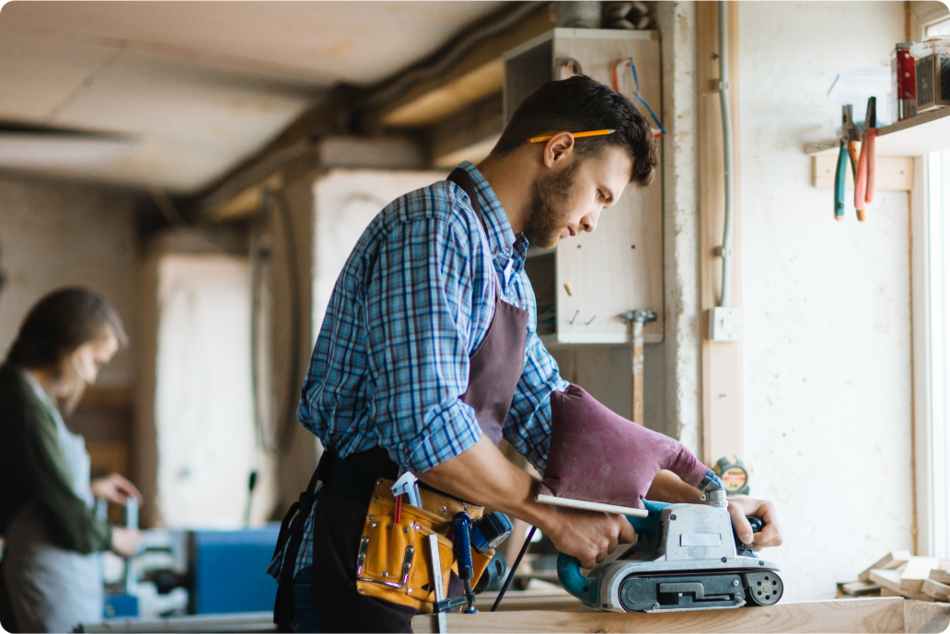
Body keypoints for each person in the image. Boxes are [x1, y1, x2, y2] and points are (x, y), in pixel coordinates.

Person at [269, 75, 783, 634]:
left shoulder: (507, 271)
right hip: (362, 558)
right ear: (559, 149)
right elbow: (424, 425)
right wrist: (549, 513)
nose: (593, 220)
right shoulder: (434, 228)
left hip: (426, 566)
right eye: (601, 194)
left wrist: (702, 502)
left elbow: (553, 422)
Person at [0, 288, 144, 634]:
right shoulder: (23, 406)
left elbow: (34, 483)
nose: (92, 377)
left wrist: (90, 487)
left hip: (56, 581)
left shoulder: (29, 398)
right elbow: (67, 516)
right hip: (46, 582)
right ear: (67, 346)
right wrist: (115, 538)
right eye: (94, 361)